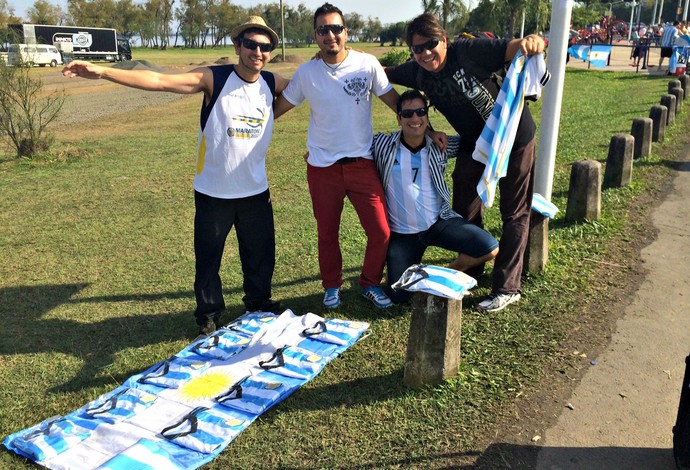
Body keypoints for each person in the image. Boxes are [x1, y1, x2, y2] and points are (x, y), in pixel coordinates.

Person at [62, 16, 288, 336]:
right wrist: (102, 70)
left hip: (255, 189)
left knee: (261, 252)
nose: (258, 51)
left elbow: (308, 90)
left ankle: (259, 302)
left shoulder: (272, 82)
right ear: (238, 46)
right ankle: (209, 313)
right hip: (214, 190)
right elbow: (159, 81)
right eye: (250, 44)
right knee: (209, 257)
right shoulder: (215, 78)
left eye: (265, 47)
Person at [385, 13, 545, 313]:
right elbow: (380, 71)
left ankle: (507, 287)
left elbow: (513, 47)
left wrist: (531, 42)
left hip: (512, 134)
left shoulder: (466, 52)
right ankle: (473, 265)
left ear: (444, 40)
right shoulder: (418, 72)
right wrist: (345, 54)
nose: (424, 53)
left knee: (514, 210)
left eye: (430, 44)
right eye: (416, 49)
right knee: (464, 197)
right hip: (476, 140)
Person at [273, 2, 400, 310]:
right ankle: (331, 286)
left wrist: (426, 126)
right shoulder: (307, 73)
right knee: (327, 233)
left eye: (336, 28)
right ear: (315, 36)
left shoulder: (367, 64)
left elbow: (395, 102)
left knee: (381, 231)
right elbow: (278, 109)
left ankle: (370, 283)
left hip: (362, 163)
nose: (330, 35)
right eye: (323, 29)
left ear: (346, 32)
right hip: (322, 168)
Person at [371, 90, 499, 303]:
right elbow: (351, 148)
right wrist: (320, 153)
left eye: (421, 112)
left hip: (438, 223)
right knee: (399, 296)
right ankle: (414, 275)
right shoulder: (382, 145)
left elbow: (475, 141)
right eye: (408, 113)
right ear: (398, 118)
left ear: (427, 116)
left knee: (489, 247)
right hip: (402, 234)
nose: (415, 118)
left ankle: (441, 275)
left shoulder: (441, 146)